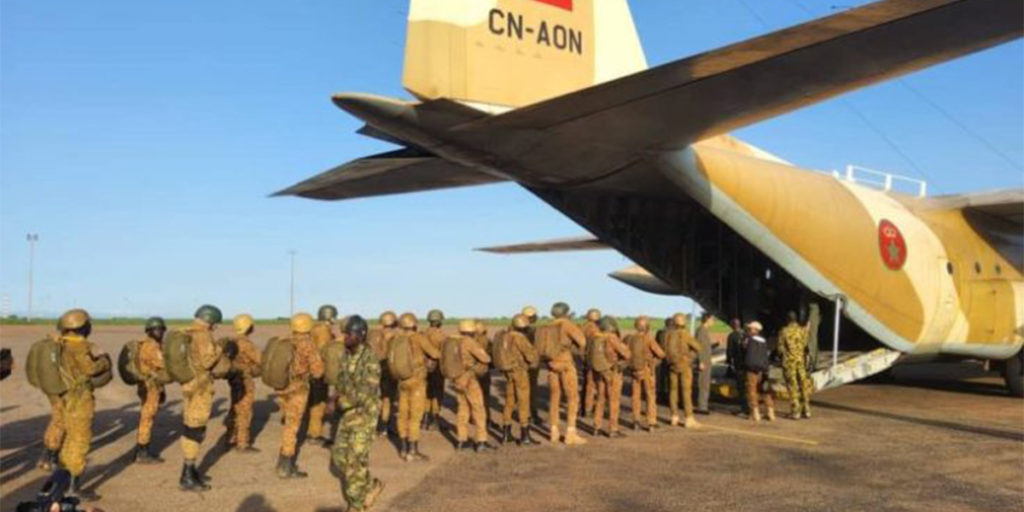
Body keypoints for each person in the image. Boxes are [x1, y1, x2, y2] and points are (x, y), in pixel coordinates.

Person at [54, 309, 111, 500]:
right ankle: (73, 488)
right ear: (81, 327)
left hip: (64, 396)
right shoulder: (79, 347)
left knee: (69, 439)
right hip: (79, 399)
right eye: (88, 324)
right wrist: (104, 361)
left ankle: (61, 482)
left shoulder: (60, 343)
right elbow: (90, 368)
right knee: (80, 440)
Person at [332, 315, 385, 512]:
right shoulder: (346, 355)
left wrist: (340, 403)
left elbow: (365, 391)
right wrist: (333, 397)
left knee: (355, 461)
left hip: (364, 415)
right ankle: (370, 486)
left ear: (360, 335)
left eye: (349, 333)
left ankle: (356, 505)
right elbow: (341, 381)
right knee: (339, 457)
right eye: (344, 333)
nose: (344, 337)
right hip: (348, 415)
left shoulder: (369, 359)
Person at [179, 304, 225, 492]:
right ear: (210, 320)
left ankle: (190, 470)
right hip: (200, 388)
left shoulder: (186, 332)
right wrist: (220, 348)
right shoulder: (203, 335)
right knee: (195, 430)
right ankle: (187, 475)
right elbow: (207, 361)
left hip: (188, 385)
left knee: (190, 426)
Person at [275, 312, 325, 478]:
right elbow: (318, 371)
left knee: (288, 423)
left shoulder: (284, 339)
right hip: (297, 389)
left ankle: (283, 461)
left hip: (281, 387)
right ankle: (285, 466)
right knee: (292, 427)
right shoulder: (307, 344)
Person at [393, 313, 439, 462]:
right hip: (417, 381)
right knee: (415, 417)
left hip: (402, 382)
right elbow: (435, 353)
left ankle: (403, 448)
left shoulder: (397, 339)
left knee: (402, 415)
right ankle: (413, 451)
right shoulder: (418, 338)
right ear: (414, 324)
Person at [543, 302, 588, 445]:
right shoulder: (567, 325)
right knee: (572, 398)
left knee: (554, 398)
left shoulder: (546, 326)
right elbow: (582, 341)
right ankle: (570, 433)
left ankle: (553, 432)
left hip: (551, 365)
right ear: (566, 312)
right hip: (566, 364)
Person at [452, 320, 495, 452]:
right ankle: (482, 441)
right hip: (469, 379)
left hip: (457, 379)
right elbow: (486, 358)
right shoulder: (469, 342)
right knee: (478, 408)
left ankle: (462, 440)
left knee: (463, 409)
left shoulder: (454, 341)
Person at [497, 314, 539, 445]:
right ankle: (525, 435)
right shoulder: (519, 337)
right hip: (520, 372)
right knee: (523, 401)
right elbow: (531, 355)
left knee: (509, 401)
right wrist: (533, 361)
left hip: (508, 372)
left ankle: (506, 433)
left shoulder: (505, 335)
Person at [134, 317, 167, 464]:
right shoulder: (152, 346)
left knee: (147, 416)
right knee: (147, 417)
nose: (159, 332)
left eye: (161, 329)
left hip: (149, 385)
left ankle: (142, 449)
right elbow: (163, 364)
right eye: (155, 329)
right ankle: (142, 452)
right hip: (150, 386)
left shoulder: (149, 344)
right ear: (149, 331)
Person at [226, 313, 261, 453]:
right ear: (248, 327)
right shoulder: (246, 344)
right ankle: (242, 444)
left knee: (234, 408)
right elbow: (260, 360)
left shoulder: (232, 341)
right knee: (244, 411)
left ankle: (230, 438)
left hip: (234, 379)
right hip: (245, 380)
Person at [591, 316, 631, 438]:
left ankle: (596, 427)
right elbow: (626, 353)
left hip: (599, 370)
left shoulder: (595, 338)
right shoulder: (611, 337)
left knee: (600, 399)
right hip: (611, 371)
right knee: (614, 400)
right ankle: (613, 429)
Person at [625, 316, 665, 431]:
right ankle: (651, 421)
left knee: (635, 396)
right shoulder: (648, 339)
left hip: (634, 371)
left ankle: (635, 421)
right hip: (647, 370)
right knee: (650, 395)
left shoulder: (629, 338)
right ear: (647, 326)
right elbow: (661, 354)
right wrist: (654, 363)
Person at [664, 314, 702, 428]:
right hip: (684, 365)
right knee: (686, 392)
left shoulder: (668, 334)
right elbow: (698, 347)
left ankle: (674, 416)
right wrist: (690, 357)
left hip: (672, 366)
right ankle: (688, 418)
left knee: (673, 391)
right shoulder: (684, 334)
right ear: (683, 323)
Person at [307, 305, 338, 447]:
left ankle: (312, 431)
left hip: (311, 370)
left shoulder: (314, 328)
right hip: (318, 371)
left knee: (314, 400)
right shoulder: (323, 331)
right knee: (318, 403)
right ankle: (314, 434)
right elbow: (323, 352)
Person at [779, 311, 813, 419]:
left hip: (789, 363)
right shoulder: (802, 331)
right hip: (800, 362)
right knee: (803, 385)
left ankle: (795, 411)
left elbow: (780, 349)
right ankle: (806, 410)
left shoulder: (784, 331)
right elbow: (806, 345)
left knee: (792, 386)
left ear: (787, 319)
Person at [372, 311, 399, 437]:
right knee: (387, 398)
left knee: (374, 398)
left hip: (373, 369)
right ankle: (383, 426)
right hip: (388, 369)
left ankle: (373, 424)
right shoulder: (395, 336)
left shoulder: (373, 334)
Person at [743, 321, 776, 423]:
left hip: (751, 370)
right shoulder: (763, 341)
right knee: (764, 391)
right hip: (762, 370)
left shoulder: (748, 340)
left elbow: (744, 352)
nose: (748, 330)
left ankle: (755, 413)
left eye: (750, 329)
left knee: (751, 390)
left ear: (754, 330)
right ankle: (770, 412)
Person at [422, 309, 447, 431]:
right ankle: (435, 421)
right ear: (439, 321)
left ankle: (425, 419)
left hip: (424, 366)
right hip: (437, 367)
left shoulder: (423, 333)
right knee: (437, 393)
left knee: (427, 393)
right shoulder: (441, 335)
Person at [521, 306, 543, 425]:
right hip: (531, 363)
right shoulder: (533, 331)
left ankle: (523, 414)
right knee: (531, 389)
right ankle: (531, 414)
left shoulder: (513, 329)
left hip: (517, 364)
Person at [579, 308, 601, 420]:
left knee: (586, 384)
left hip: (583, 356)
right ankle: (588, 409)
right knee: (591, 385)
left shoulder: (582, 326)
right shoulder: (594, 329)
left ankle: (583, 408)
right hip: (591, 357)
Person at [725, 318, 749, 414]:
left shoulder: (732, 336)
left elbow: (730, 351)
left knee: (741, 387)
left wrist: (729, 361)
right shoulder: (746, 335)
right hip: (748, 364)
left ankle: (744, 408)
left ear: (732, 326)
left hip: (739, 364)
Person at [473, 321, 494, 429]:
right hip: (483, 371)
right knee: (484, 396)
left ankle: (473, 417)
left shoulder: (469, 340)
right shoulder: (484, 340)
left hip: (471, 372)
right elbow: (488, 356)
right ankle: (485, 419)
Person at [695, 313, 715, 415]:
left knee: (705, 383)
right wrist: (701, 361)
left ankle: (703, 404)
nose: (713, 321)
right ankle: (702, 406)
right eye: (712, 319)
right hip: (704, 361)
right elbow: (699, 347)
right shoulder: (701, 331)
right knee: (703, 383)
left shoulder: (704, 331)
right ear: (707, 319)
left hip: (706, 360)